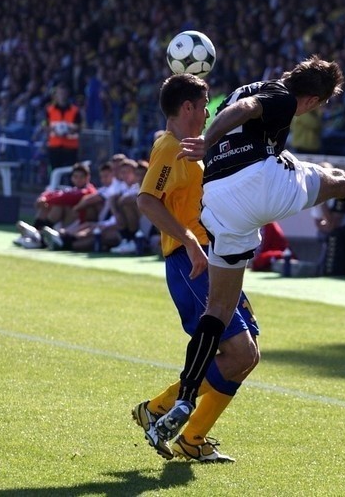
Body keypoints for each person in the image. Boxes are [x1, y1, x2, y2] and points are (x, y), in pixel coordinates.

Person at [154, 56, 345, 441]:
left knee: (217, 309)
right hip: (257, 183)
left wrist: (210, 137)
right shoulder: (281, 97)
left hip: (217, 203)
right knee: (334, 180)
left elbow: (235, 107)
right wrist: (206, 141)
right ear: (312, 100)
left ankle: (183, 397)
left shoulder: (244, 88)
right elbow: (248, 110)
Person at [132, 73, 259, 463]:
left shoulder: (184, 147)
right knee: (238, 353)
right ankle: (157, 408)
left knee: (247, 354)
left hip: (215, 259)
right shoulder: (170, 148)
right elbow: (147, 201)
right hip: (193, 263)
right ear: (187, 107)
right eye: (204, 106)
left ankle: (194, 438)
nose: (207, 113)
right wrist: (188, 241)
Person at [14, 162, 96, 248]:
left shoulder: (90, 191)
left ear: (88, 178)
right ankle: (36, 235)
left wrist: (48, 200)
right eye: (75, 177)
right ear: (72, 178)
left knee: (58, 205)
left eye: (81, 177)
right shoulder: (73, 189)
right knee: (45, 206)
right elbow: (53, 193)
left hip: (79, 224)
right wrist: (43, 198)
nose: (78, 179)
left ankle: (37, 236)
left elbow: (67, 197)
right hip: (66, 221)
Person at [44, 83, 82, 173]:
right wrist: (54, 129)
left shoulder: (75, 110)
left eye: (64, 93)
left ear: (67, 94)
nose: (62, 96)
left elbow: (79, 126)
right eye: (60, 93)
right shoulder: (49, 110)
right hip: (54, 146)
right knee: (54, 173)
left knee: (72, 174)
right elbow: (45, 125)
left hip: (70, 147)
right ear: (56, 95)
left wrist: (68, 129)